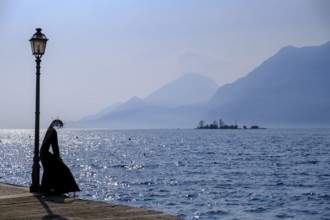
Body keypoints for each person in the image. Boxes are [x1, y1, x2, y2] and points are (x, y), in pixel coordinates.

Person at [40, 119, 80, 195]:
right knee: (64, 169)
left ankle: (49, 188)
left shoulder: (49, 130)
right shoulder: (53, 131)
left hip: (43, 153)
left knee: (49, 170)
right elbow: (55, 146)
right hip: (45, 154)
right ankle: (61, 189)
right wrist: (58, 157)